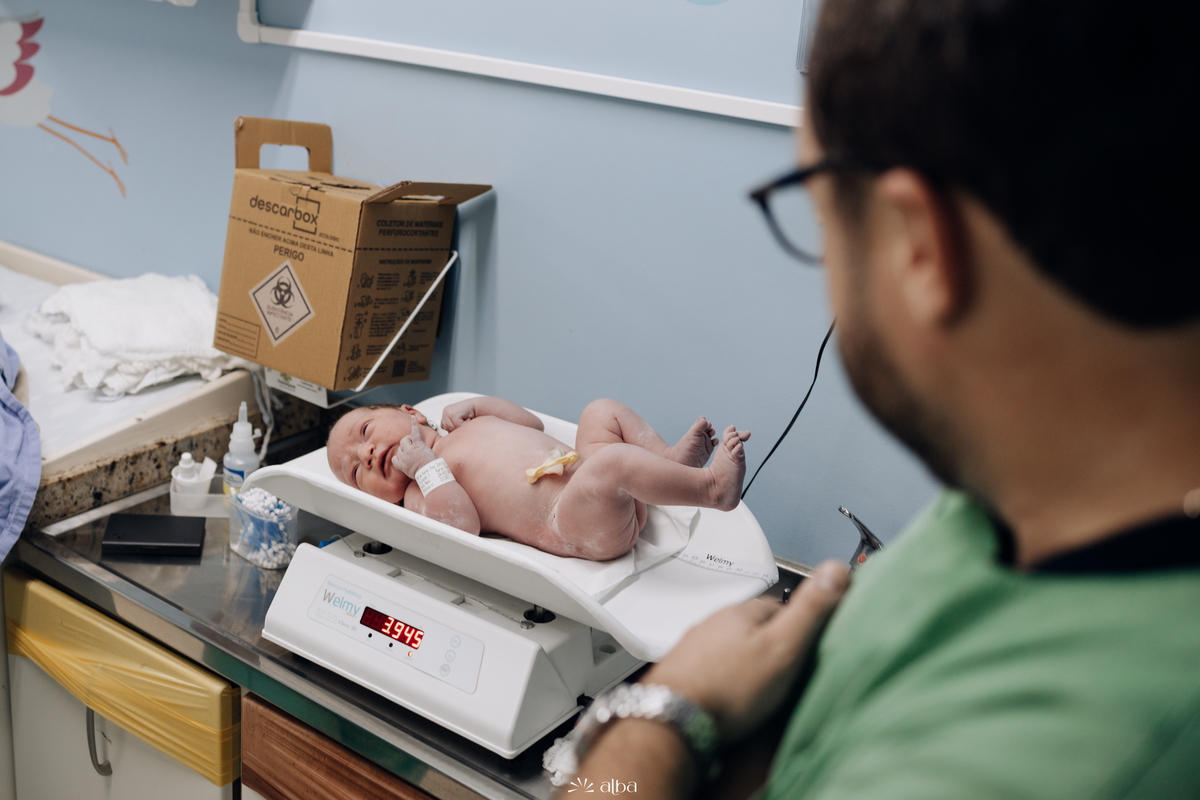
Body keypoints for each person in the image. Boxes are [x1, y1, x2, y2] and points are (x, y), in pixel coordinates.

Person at [569, 0, 1200, 797]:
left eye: (821, 216)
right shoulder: (1015, 502)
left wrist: (661, 717)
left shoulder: (1048, 763)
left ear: (922, 246)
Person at [326, 397, 751, 560]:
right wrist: (423, 467)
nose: (364, 455)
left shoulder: (457, 429)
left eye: (365, 433)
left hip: (583, 475)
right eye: (356, 472)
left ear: (411, 413)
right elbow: (462, 524)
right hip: (572, 519)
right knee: (613, 465)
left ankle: (670, 461)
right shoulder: (421, 493)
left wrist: (482, 406)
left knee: (599, 412)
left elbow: (531, 425)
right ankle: (711, 489)